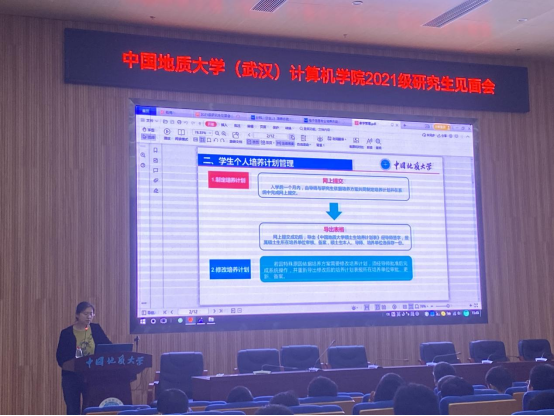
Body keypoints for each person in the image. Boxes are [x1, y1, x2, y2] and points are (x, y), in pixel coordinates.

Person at [56, 302, 112, 415]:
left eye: (91, 314)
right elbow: (60, 357)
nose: (89, 316)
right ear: (77, 315)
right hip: (71, 377)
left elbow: (109, 348)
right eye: (85, 314)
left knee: (90, 408)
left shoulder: (96, 329)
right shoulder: (66, 333)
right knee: (73, 410)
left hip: (92, 376)